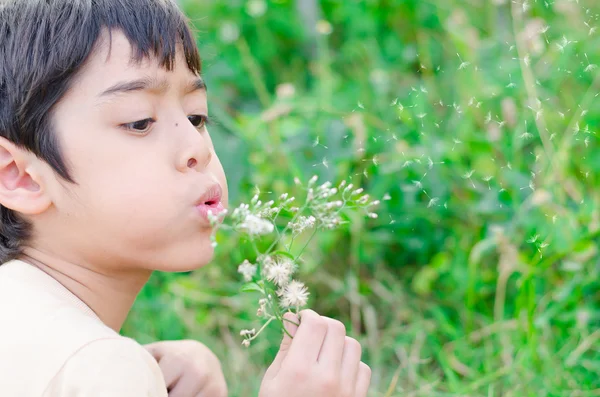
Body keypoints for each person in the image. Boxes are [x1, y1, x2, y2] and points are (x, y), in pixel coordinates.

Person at [0, 0, 372, 396]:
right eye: (140, 122)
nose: (197, 147)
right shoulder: (95, 366)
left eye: (196, 116)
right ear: (20, 176)